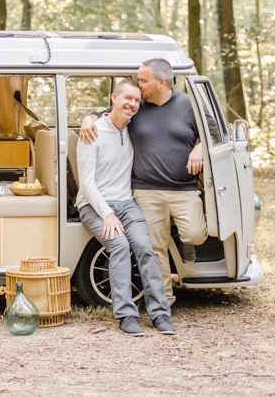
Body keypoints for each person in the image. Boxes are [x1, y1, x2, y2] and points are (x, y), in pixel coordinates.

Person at [79, 58, 208, 305]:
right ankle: (165, 300)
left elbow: (210, 135)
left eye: (143, 80)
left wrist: (199, 148)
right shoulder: (137, 107)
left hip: (183, 189)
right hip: (146, 190)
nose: (139, 86)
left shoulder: (189, 105)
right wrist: (88, 119)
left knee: (195, 233)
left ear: (162, 82)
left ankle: (184, 243)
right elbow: (106, 114)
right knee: (155, 246)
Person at [75, 78, 175, 336]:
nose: (132, 104)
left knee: (145, 246)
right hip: (93, 205)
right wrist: (106, 213)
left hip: (126, 203)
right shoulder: (92, 132)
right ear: (113, 98)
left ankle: (160, 314)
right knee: (119, 245)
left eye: (136, 100)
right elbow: (86, 183)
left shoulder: (134, 128)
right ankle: (127, 316)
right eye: (127, 98)